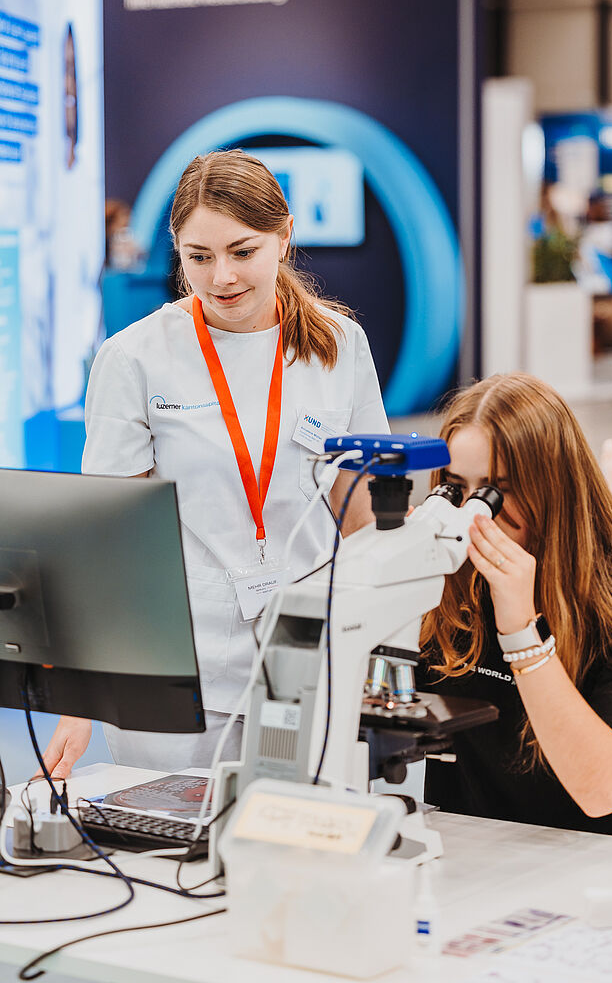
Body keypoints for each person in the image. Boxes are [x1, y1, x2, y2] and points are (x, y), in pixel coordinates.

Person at [40, 148, 389, 776]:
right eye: (198, 257)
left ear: (284, 236)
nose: (221, 276)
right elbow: (110, 534)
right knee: (166, 832)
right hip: (173, 669)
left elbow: (362, 512)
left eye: (242, 251)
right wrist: (81, 692)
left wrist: (382, 643)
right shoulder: (135, 358)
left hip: (310, 658)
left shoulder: (339, 344)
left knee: (293, 829)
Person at [415, 374, 612, 837]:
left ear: (554, 488)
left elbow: (603, 791)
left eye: (496, 490)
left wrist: (520, 630)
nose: (473, 511)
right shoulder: (450, 593)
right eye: (454, 488)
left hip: (593, 858)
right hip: (469, 851)